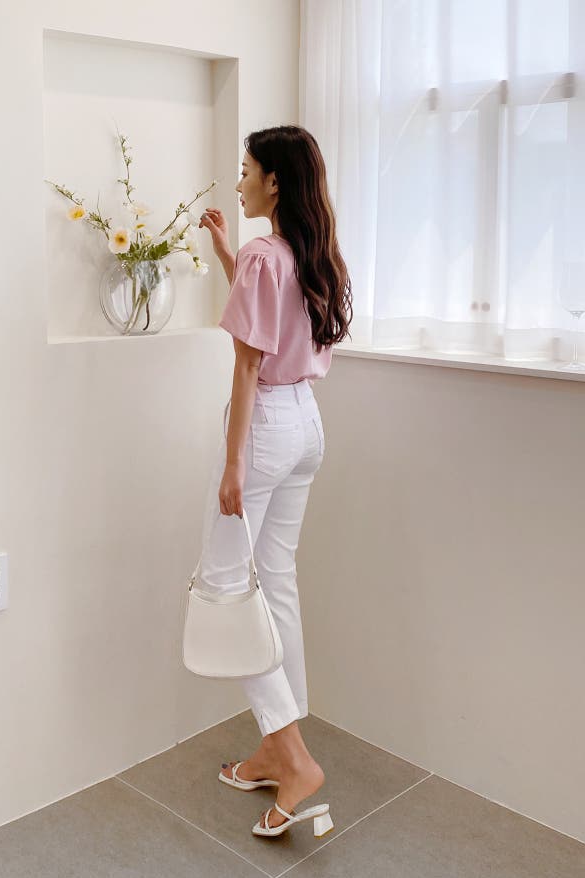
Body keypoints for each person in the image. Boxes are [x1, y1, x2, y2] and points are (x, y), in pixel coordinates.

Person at [196, 125, 353, 837]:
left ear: (274, 182)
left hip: (262, 431)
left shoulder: (267, 257)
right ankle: (275, 745)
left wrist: (233, 463)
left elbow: (248, 363)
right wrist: (226, 252)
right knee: (276, 581)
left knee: (228, 587)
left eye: (246, 170)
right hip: (306, 427)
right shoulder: (306, 253)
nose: (239, 182)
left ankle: (293, 759)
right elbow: (274, 321)